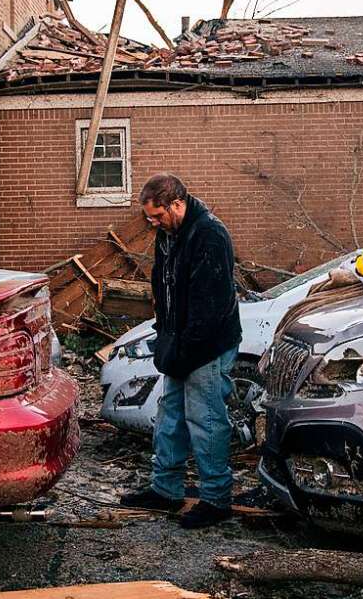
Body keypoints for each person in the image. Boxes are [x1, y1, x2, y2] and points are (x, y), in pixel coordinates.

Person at [119, 173, 242, 529]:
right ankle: (166, 490)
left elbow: (211, 306)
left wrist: (184, 349)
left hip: (208, 344)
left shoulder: (210, 235)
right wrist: (166, 335)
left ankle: (217, 499)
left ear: (177, 204)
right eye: (149, 218)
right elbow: (163, 283)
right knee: (170, 415)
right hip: (181, 340)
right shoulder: (168, 235)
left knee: (205, 421)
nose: (153, 223)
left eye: (157, 215)